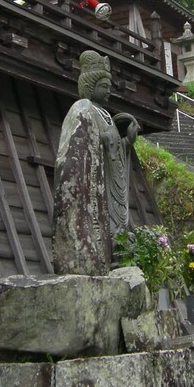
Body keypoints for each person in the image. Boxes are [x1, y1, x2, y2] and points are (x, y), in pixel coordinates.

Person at [52, 50, 139, 275]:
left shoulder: (106, 115)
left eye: (109, 86)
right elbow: (82, 146)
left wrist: (126, 141)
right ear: (90, 88)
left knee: (117, 222)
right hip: (96, 180)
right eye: (103, 86)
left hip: (111, 179)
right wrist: (106, 140)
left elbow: (112, 147)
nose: (108, 90)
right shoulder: (84, 110)